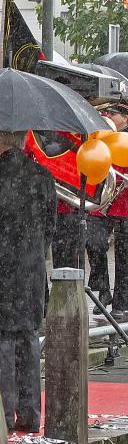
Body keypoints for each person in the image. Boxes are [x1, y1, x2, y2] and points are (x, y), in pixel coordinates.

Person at [0, 129, 57, 432]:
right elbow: (51, 225)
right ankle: (30, 414)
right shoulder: (42, 176)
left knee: (2, 341)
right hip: (30, 270)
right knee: (29, 338)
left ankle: (3, 414)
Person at [87, 101, 128, 319]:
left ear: (125, 118)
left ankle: (121, 304)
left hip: (124, 205)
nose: (108, 116)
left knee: (124, 257)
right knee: (93, 242)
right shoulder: (102, 136)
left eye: (113, 113)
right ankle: (103, 289)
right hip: (101, 203)